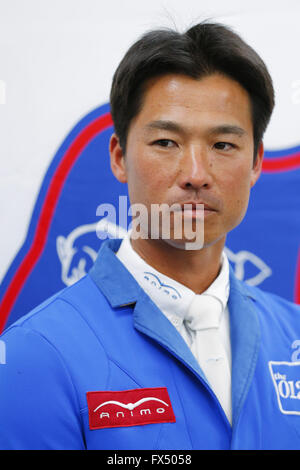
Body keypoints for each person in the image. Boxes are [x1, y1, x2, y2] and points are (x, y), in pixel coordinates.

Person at [0, 21, 300, 451]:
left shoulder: (293, 339)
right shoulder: (34, 355)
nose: (196, 175)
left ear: (256, 163)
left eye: (223, 145)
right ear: (120, 157)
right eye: (166, 141)